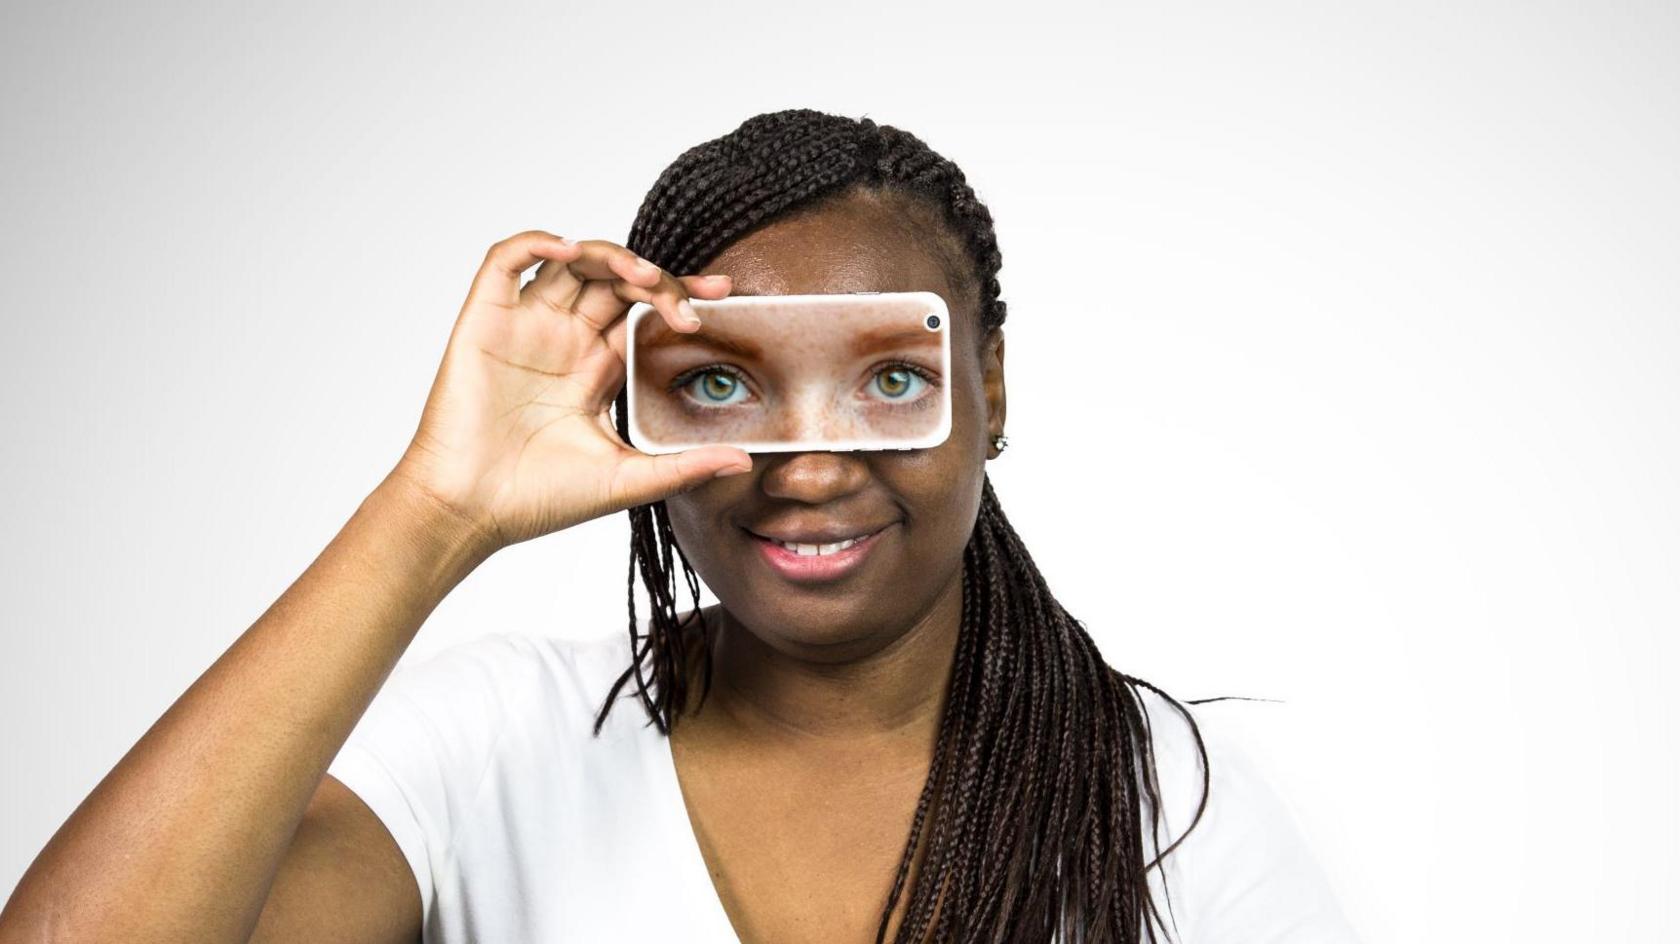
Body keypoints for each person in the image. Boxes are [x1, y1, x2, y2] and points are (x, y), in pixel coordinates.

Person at [0, 109, 1359, 943]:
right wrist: (433, 510)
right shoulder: (498, 748)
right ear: (639, 408)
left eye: (889, 377)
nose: (807, 467)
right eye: (719, 384)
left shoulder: (1162, 798)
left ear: (987, 388)